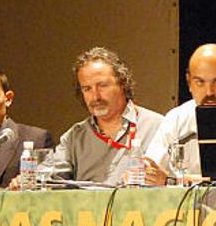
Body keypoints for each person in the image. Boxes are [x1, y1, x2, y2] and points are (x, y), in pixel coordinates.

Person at [144, 43, 216, 184]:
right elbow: (150, 167)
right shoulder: (177, 118)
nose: (209, 92)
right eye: (200, 82)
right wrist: (146, 173)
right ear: (189, 82)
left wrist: (172, 181)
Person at [46, 47, 163, 186]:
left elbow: (180, 181)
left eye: (102, 86)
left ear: (122, 84)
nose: (95, 96)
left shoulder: (159, 127)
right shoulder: (75, 137)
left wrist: (165, 180)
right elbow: (49, 180)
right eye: (87, 89)